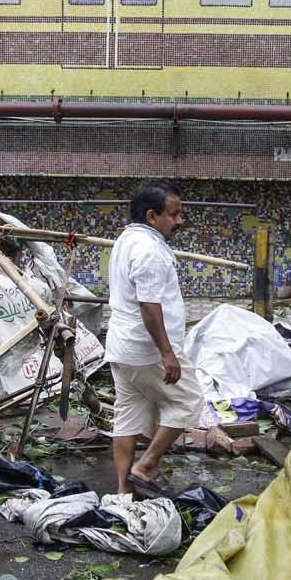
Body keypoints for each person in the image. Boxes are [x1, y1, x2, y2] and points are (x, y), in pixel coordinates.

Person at [104, 181, 205, 496]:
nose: (179, 221)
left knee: (128, 416)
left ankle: (124, 493)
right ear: (151, 216)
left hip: (122, 348)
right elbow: (149, 305)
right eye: (173, 215)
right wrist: (167, 353)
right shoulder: (149, 250)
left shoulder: (127, 238)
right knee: (189, 399)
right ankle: (146, 466)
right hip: (145, 350)